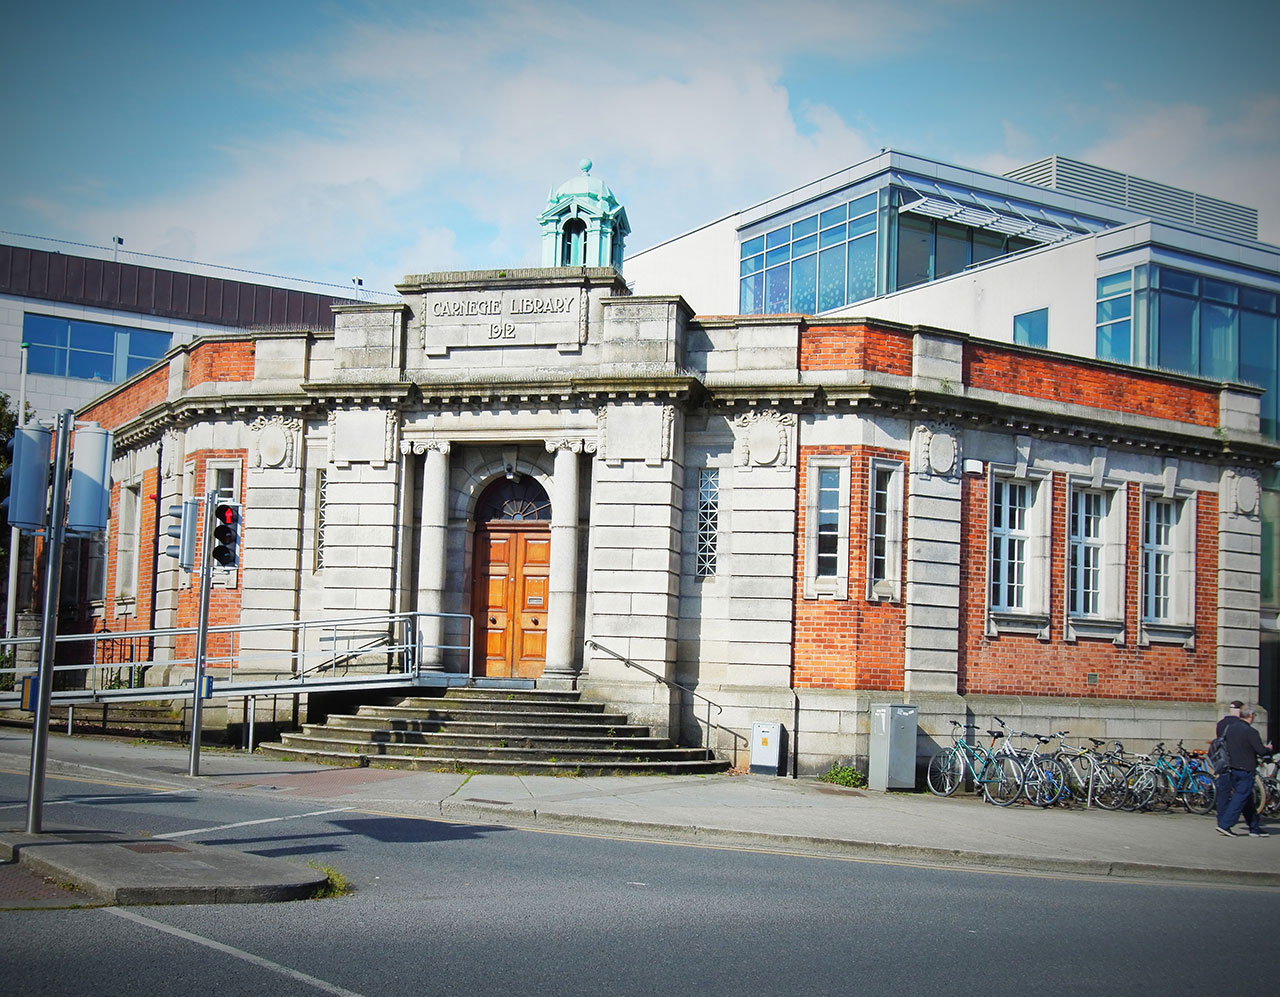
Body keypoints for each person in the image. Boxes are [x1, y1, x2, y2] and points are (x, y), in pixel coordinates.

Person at [1215, 704, 1274, 837]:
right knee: (1240, 797)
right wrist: (1268, 749)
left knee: (1247, 799)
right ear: (1251, 715)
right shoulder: (1250, 731)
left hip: (1233, 767)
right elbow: (1260, 750)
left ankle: (1254, 827)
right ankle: (1225, 824)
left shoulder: (1231, 728)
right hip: (1246, 768)